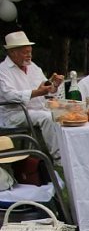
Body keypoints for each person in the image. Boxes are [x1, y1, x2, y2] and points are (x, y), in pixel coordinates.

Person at [0, 31, 64, 159]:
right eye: (25, 52)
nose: (29, 55)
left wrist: (54, 85)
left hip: (37, 109)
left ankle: (68, 152)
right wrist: (37, 92)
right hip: (13, 114)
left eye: (30, 52)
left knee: (64, 113)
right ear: (12, 52)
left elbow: (45, 87)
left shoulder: (33, 66)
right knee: (47, 117)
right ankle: (58, 157)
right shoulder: (2, 70)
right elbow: (9, 95)